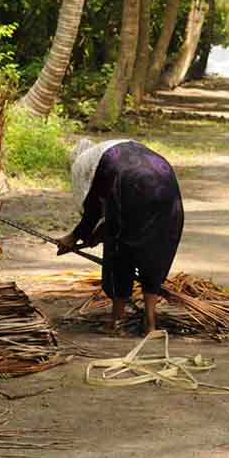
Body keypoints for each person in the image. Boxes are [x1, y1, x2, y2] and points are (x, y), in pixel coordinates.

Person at [56, 138, 184, 335]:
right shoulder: (121, 151)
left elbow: (93, 210)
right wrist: (96, 233)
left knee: (118, 252)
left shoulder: (88, 163)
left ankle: (117, 321)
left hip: (132, 187)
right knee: (156, 252)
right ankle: (150, 323)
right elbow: (116, 208)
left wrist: (74, 237)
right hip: (167, 188)